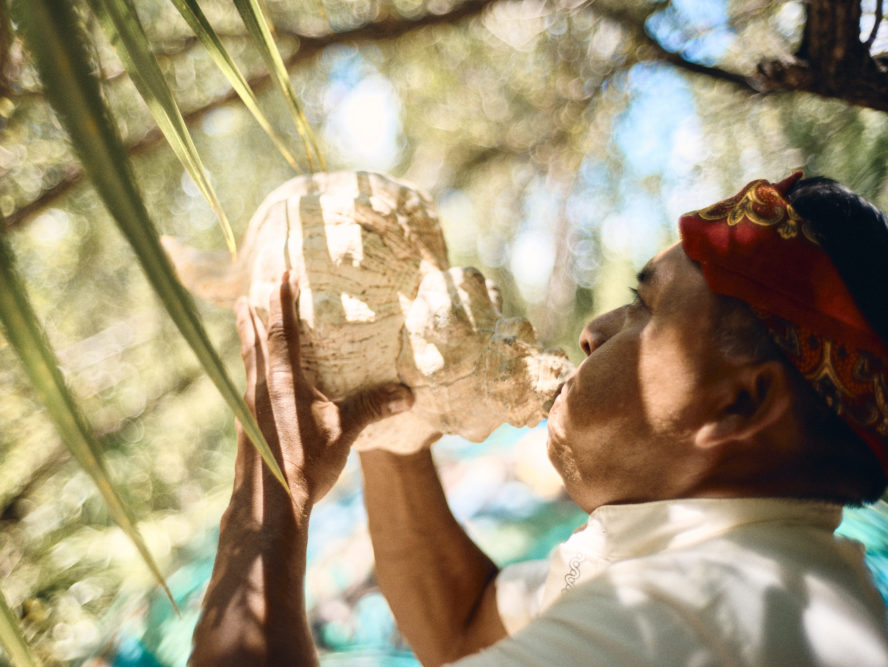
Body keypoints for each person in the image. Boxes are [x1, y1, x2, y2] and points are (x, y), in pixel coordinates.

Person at [188, 173, 888, 666]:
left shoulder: (691, 619)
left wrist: (267, 495)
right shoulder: (761, 571)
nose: (595, 330)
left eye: (645, 309)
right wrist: (392, 386)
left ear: (739, 403)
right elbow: (464, 625)